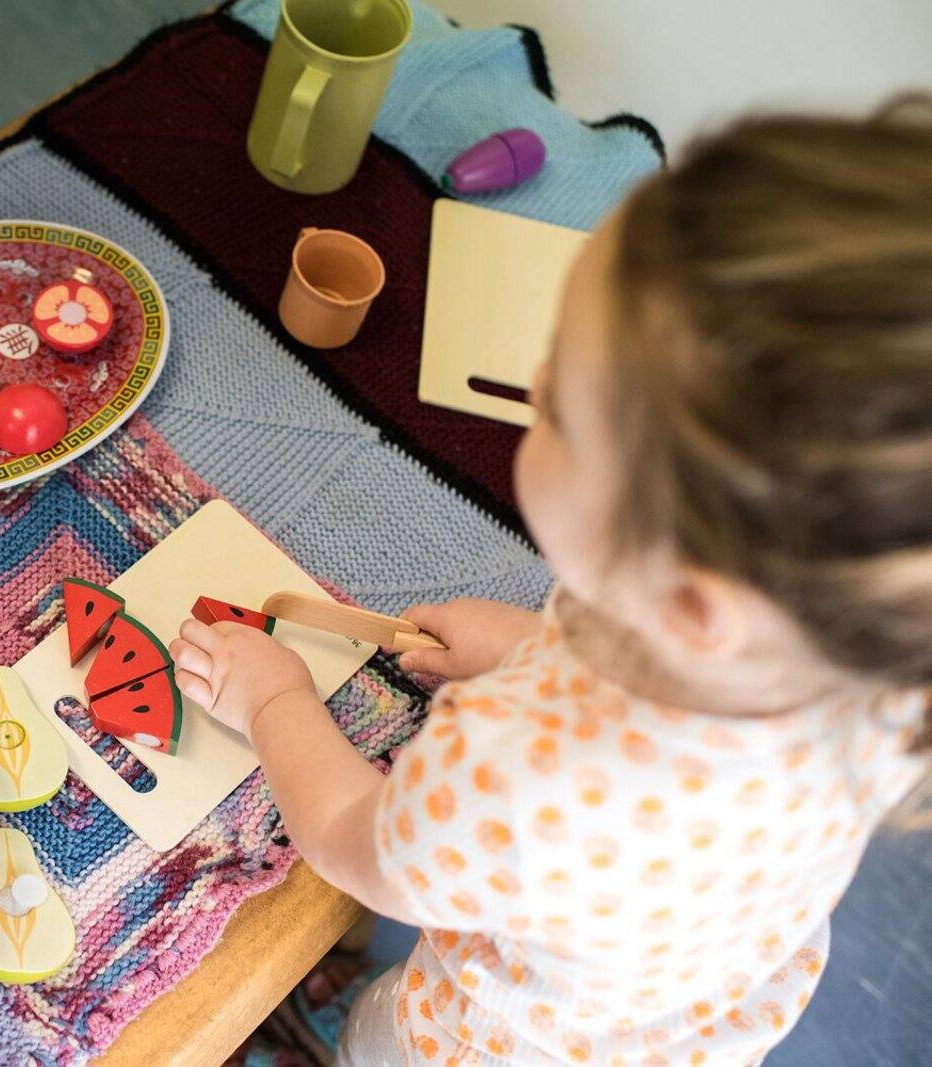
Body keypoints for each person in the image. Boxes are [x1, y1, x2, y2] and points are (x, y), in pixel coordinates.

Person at [173, 101, 932, 1065]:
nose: (533, 383)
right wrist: (530, 647)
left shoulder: (517, 774)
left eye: (563, 403)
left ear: (688, 602)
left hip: (485, 1045)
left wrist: (273, 697)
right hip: (674, 1015)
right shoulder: (874, 666)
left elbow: (349, 839)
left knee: (380, 1039)